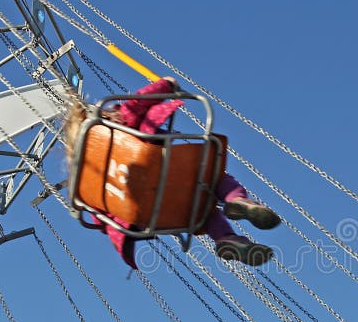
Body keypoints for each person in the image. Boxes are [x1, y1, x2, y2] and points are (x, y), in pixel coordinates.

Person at [63, 77, 280, 269]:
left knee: (201, 215)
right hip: (168, 172)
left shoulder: (86, 183)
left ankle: (228, 239)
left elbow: (100, 221)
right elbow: (140, 101)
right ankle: (239, 201)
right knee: (214, 181)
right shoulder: (119, 123)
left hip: (151, 215)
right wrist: (167, 84)